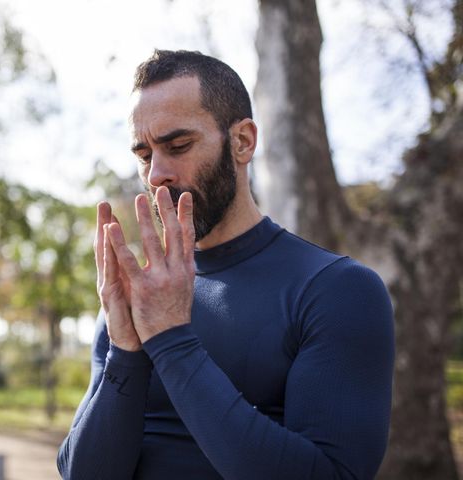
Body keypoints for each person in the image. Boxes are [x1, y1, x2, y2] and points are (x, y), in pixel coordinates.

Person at [57, 49, 394, 480]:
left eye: (178, 145)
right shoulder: (137, 294)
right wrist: (126, 349)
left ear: (243, 141)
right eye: (144, 155)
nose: (156, 173)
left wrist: (171, 340)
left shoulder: (338, 290)